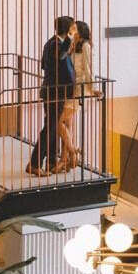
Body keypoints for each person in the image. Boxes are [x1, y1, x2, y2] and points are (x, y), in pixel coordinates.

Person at [26, 15, 76, 176]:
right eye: (73, 28)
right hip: (55, 92)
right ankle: (34, 164)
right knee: (49, 129)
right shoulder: (56, 44)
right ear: (68, 29)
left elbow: (44, 65)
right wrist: (69, 40)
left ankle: (51, 162)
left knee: (52, 127)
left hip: (54, 91)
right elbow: (60, 57)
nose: (74, 30)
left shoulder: (52, 43)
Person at [58, 20, 100, 171]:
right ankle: (65, 159)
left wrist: (93, 88)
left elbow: (88, 69)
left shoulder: (86, 46)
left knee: (58, 121)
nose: (72, 32)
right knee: (67, 124)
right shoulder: (73, 45)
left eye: (74, 29)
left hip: (79, 89)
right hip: (71, 87)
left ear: (80, 32)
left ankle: (72, 152)